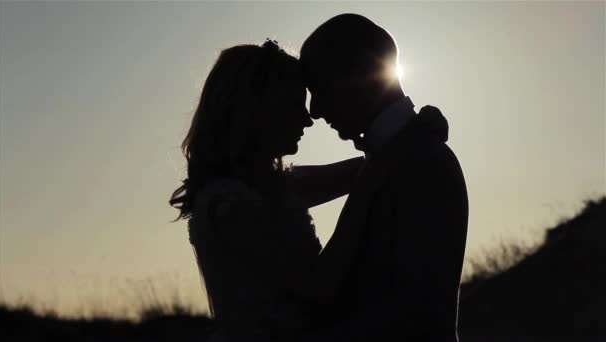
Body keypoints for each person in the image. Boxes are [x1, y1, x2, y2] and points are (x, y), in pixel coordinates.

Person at [169, 39, 369, 341]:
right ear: (260, 111)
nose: (307, 119)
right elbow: (318, 287)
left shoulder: (269, 187)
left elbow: (364, 172)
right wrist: (366, 200)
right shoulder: (229, 205)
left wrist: (407, 138)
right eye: (294, 104)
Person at [297, 13, 469, 342]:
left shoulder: (423, 161)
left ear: (364, 69)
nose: (315, 110)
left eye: (320, 87)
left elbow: (411, 315)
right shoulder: (397, 157)